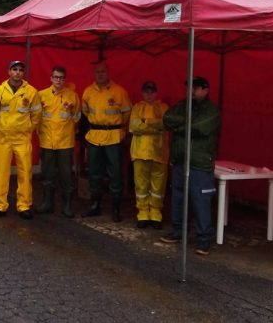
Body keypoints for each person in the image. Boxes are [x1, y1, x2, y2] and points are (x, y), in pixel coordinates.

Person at [161, 76, 221, 256]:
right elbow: (167, 118)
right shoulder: (183, 104)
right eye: (189, 88)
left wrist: (179, 127)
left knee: (200, 201)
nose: (191, 91)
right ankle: (179, 231)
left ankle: (204, 238)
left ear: (206, 90)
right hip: (180, 160)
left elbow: (199, 127)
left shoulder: (212, 110)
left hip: (199, 163)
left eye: (195, 88)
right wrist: (185, 124)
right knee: (178, 197)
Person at [0, 60, 41, 219]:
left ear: (23, 73)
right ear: (9, 72)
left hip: (22, 139)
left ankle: (24, 205)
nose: (17, 72)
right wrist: (3, 126)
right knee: (0, 173)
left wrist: (27, 129)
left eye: (20, 70)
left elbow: (36, 115)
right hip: (3, 138)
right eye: (14, 69)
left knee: (25, 173)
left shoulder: (31, 92)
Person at [81, 61, 132, 222]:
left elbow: (127, 114)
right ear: (94, 74)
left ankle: (116, 208)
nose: (100, 74)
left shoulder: (119, 92)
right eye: (97, 72)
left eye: (103, 71)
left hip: (113, 136)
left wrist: (119, 129)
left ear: (108, 72)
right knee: (94, 172)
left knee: (115, 173)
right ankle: (95, 204)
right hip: (95, 136)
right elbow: (86, 112)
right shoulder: (88, 92)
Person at [35, 66, 81, 218]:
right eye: (56, 77)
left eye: (61, 78)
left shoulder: (72, 96)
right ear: (51, 78)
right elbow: (36, 116)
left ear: (65, 79)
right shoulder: (41, 95)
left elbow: (77, 117)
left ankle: (67, 206)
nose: (58, 80)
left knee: (66, 176)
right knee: (47, 174)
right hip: (47, 141)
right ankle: (47, 203)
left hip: (65, 142)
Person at [128, 80, 169, 229]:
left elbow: (165, 125)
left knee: (158, 186)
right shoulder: (137, 108)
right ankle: (143, 213)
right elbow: (133, 127)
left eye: (152, 91)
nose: (149, 94)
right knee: (141, 185)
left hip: (159, 153)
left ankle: (156, 213)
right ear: (142, 93)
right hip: (139, 152)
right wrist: (154, 126)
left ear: (156, 92)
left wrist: (145, 122)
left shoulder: (164, 108)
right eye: (146, 92)